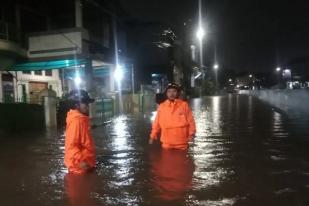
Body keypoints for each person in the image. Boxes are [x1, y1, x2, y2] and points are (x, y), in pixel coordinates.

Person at [149, 83, 196, 150]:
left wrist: (192, 134)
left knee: (182, 160)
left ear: (177, 93)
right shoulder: (162, 106)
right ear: (166, 93)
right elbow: (156, 123)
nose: (171, 93)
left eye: (174, 91)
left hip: (182, 142)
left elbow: (191, 121)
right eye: (169, 91)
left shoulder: (184, 105)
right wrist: (152, 136)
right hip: (167, 143)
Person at [64, 89, 96, 174]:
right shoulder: (77, 121)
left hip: (85, 165)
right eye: (85, 103)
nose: (87, 106)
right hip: (80, 169)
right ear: (76, 105)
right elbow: (72, 145)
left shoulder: (80, 119)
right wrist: (81, 161)